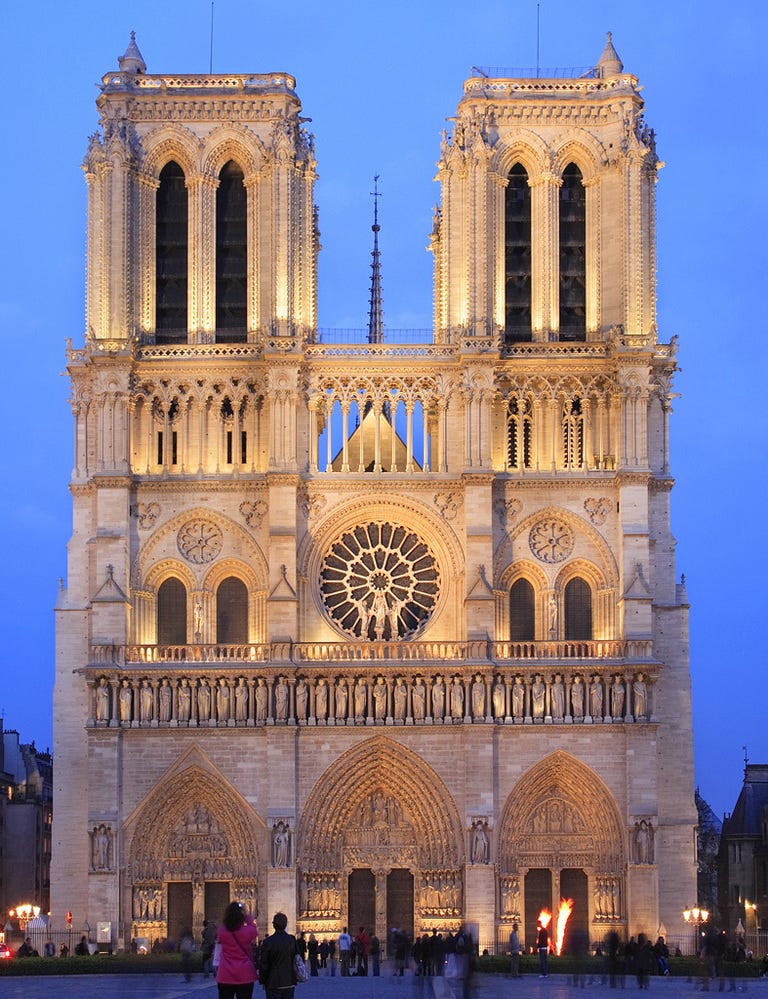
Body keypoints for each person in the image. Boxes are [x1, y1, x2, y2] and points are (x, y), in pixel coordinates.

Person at [216, 900, 259, 999]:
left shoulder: (222, 931)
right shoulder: (248, 931)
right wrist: (246, 914)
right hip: (245, 973)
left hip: (225, 974)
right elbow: (253, 928)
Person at [260, 911, 297, 999]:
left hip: (273, 982)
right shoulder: (291, 940)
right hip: (289, 981)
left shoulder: (268, 942)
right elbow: (297, 959)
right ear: (285, 925)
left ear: (273, 925)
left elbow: (264, 963)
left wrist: (263, 980)